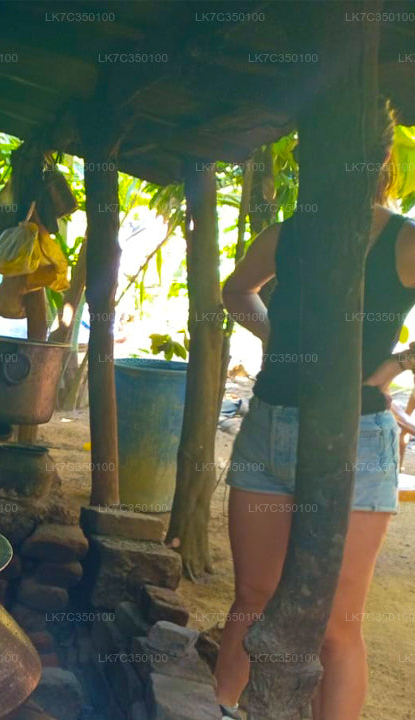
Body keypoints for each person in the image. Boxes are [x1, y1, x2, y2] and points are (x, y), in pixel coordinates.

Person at [217, 100, 415, 719]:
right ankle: (214, 711)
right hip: (270, 426)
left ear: (375, 159)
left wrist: (397, 367)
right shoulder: (290, 232)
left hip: (358, 438)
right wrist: (275, 337)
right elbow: (235, 290)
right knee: (253, 595)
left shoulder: (405, 241)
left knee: (336, 624)